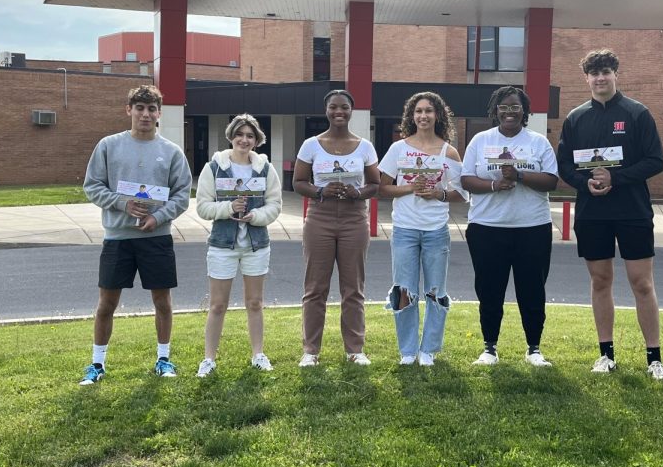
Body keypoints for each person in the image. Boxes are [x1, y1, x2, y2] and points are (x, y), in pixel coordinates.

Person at [557, 48, 663, 380]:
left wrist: (616, 177)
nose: (600, 78)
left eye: (606, 71)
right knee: (600, 281)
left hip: (632, 211)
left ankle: (654, 358)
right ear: (586, 78)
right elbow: (564, 165)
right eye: (594, 73)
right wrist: (584, 182)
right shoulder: (576, 118)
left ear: (615, 74)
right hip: (592, 213)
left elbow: (656, 160)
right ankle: (606, 355)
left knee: (642, 283)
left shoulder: (637, 113)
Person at [80, 84, 192, 384]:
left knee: (162, 302)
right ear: (128, 110)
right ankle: (97, 364)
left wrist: (158, 217)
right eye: (139, 108)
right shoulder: (108, 146)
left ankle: (163, 359)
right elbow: (92, 186)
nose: (145, 114)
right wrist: (122, 203)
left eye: (151, 109)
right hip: (118, 237)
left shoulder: (171, 152)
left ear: (159, 113)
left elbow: (182, 195)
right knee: (106, 304)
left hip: (157, 237)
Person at [461, 85, 558, 367]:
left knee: (532, 288)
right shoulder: (480, 140)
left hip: (532, 227)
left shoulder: (538, 142)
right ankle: (489, 347)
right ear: (495, 111)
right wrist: (495, 184)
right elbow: (466, 179)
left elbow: (551, 180)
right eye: (504, 107)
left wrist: (519, 176)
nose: (510, 112)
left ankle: (534, 348)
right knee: (489, 289)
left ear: (524, 111)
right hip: (487, 227)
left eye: (515, 107)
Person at [379, 92, 467, 366]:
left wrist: (439, 194)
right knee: (404, 291)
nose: (423, 116)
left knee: (435, 290)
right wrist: (410, 188)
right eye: (418, 111)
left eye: (429, 111)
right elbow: (382, 188)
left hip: (435, 231)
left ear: (438, 115)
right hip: (405, 229)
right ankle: (407, 350)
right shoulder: (398, 149)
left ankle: (428, 349)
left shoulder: (447, 151)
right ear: (411, 116)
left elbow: (461, 193)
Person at [293, 90, 380, 366]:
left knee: (353, 288)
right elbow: (298, 182)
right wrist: (321, 190)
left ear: (351, 111)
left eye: (344, 107)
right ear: (326, 110)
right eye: (333, 107)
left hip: (354, 219)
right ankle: (311, 351)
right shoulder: (311, 145)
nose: (338, 111)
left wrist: (358, 193)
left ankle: (355, 350)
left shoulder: (364, 146)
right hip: (320, 218)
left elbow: (375, 184)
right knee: (315, 287)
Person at [194, 113, 283, 377]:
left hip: (256, 244)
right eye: (240, 134)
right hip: (223, 244)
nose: (244, 140)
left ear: (256, 140)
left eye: (250, 135)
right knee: (217, 304)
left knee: (255, 302)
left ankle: (258, 354)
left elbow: (274, 205)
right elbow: (202, 206)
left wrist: (255, 216)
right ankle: (209, 359)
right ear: (231, 136)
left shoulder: (266, 169)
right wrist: (228, 208)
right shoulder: (214, 168)